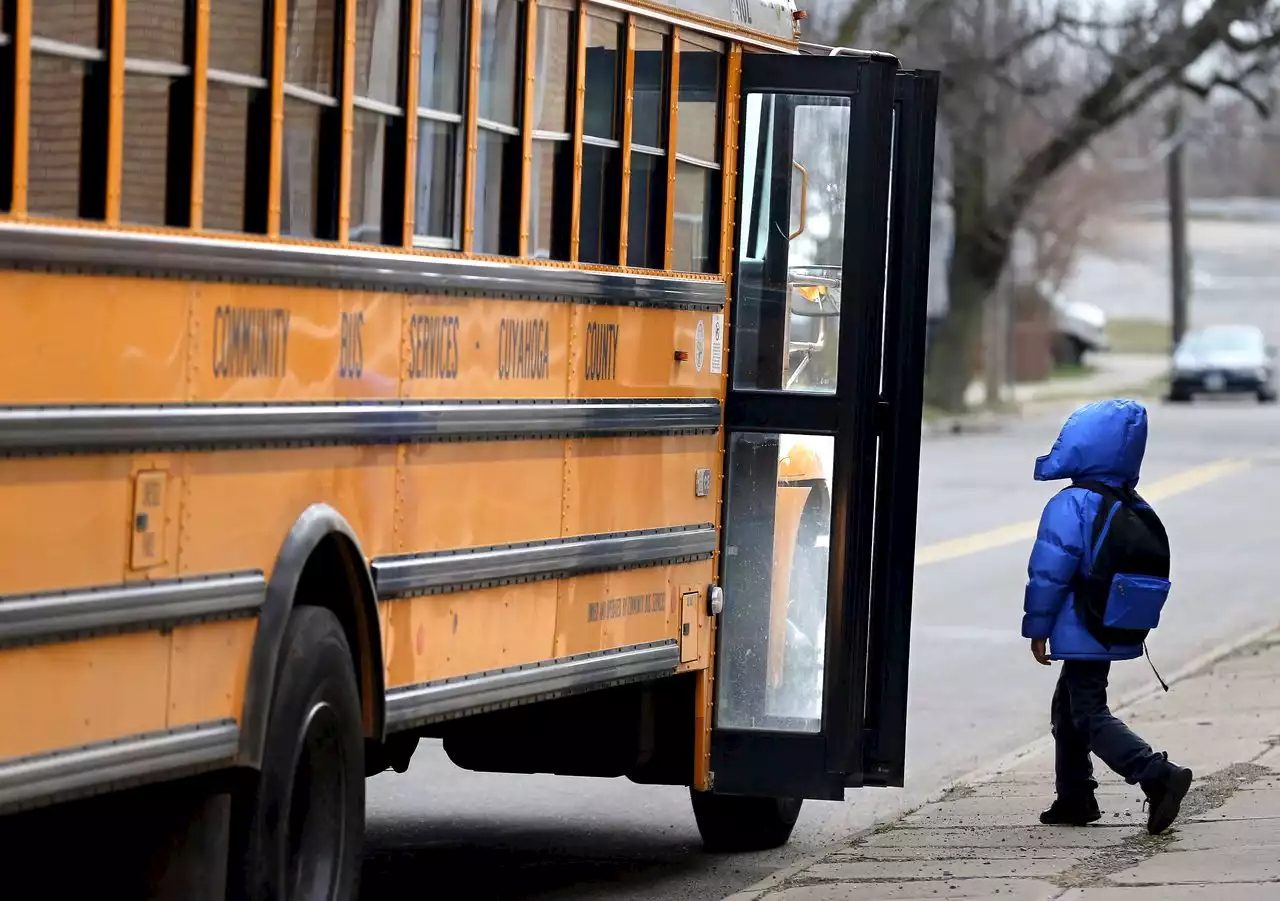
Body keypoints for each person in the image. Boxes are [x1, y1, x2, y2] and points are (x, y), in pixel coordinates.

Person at [1022, 398, 1192, 835]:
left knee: (1087, 711)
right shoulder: (1131, 503)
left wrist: (1037, 628)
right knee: (1068, 707)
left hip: (1084, 621)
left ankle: (1156, 774)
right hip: (1112, 619)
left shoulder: (1073, 503)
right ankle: (1075, 798)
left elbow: (1049, 572)